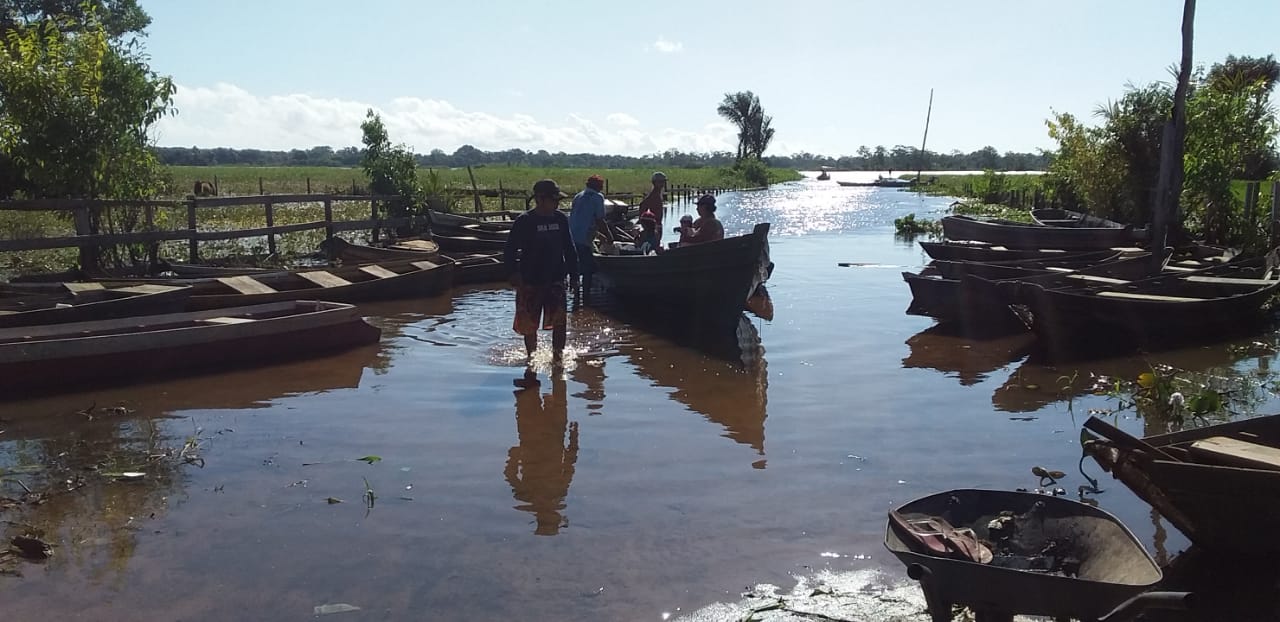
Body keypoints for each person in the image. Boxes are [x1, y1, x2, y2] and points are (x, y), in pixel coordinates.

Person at [504, 179, 579, 370]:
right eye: (554, 200)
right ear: (540, 199)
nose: (557, 204)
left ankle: (557, 358)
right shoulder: (525, 221)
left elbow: (569, 249)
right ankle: (532, 360)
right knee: (529, 325)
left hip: (555, 279)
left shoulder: (560, 219)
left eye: (558, 200)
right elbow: (510, 250)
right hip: (530, 280)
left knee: (560, 323)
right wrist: (513, 273)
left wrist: (575, 275)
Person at [568, 174, 613, 306]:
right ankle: (586, 298)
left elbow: (582, 219)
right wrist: (609, 236)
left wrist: (599, 235)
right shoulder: (597, 197)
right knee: (588, 269)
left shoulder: (578, 196)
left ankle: (576, 295)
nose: (602, 188)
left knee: (575, 267)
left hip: (571, 237)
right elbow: (599, 220)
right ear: (598, 186)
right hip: (584, 238)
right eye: (601, 186)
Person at [638, 171, 667, 243]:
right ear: (655, 182)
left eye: (663, 182)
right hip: (654, 226)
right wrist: (644, 221)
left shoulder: (658, 194)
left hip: (658, 224)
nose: (662, 184)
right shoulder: (653, 195)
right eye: (660, 182)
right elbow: (642, 205)